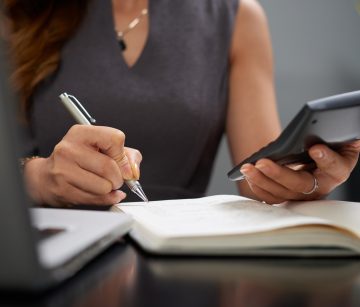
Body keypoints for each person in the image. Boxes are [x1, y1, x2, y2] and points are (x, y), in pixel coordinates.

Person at [3, 0, 360, 207]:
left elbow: (258, 177)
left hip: (179, 258)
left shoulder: (236, 16)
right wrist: (36, 177)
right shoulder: (16, 12)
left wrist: (310, 175)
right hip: (50, 251)